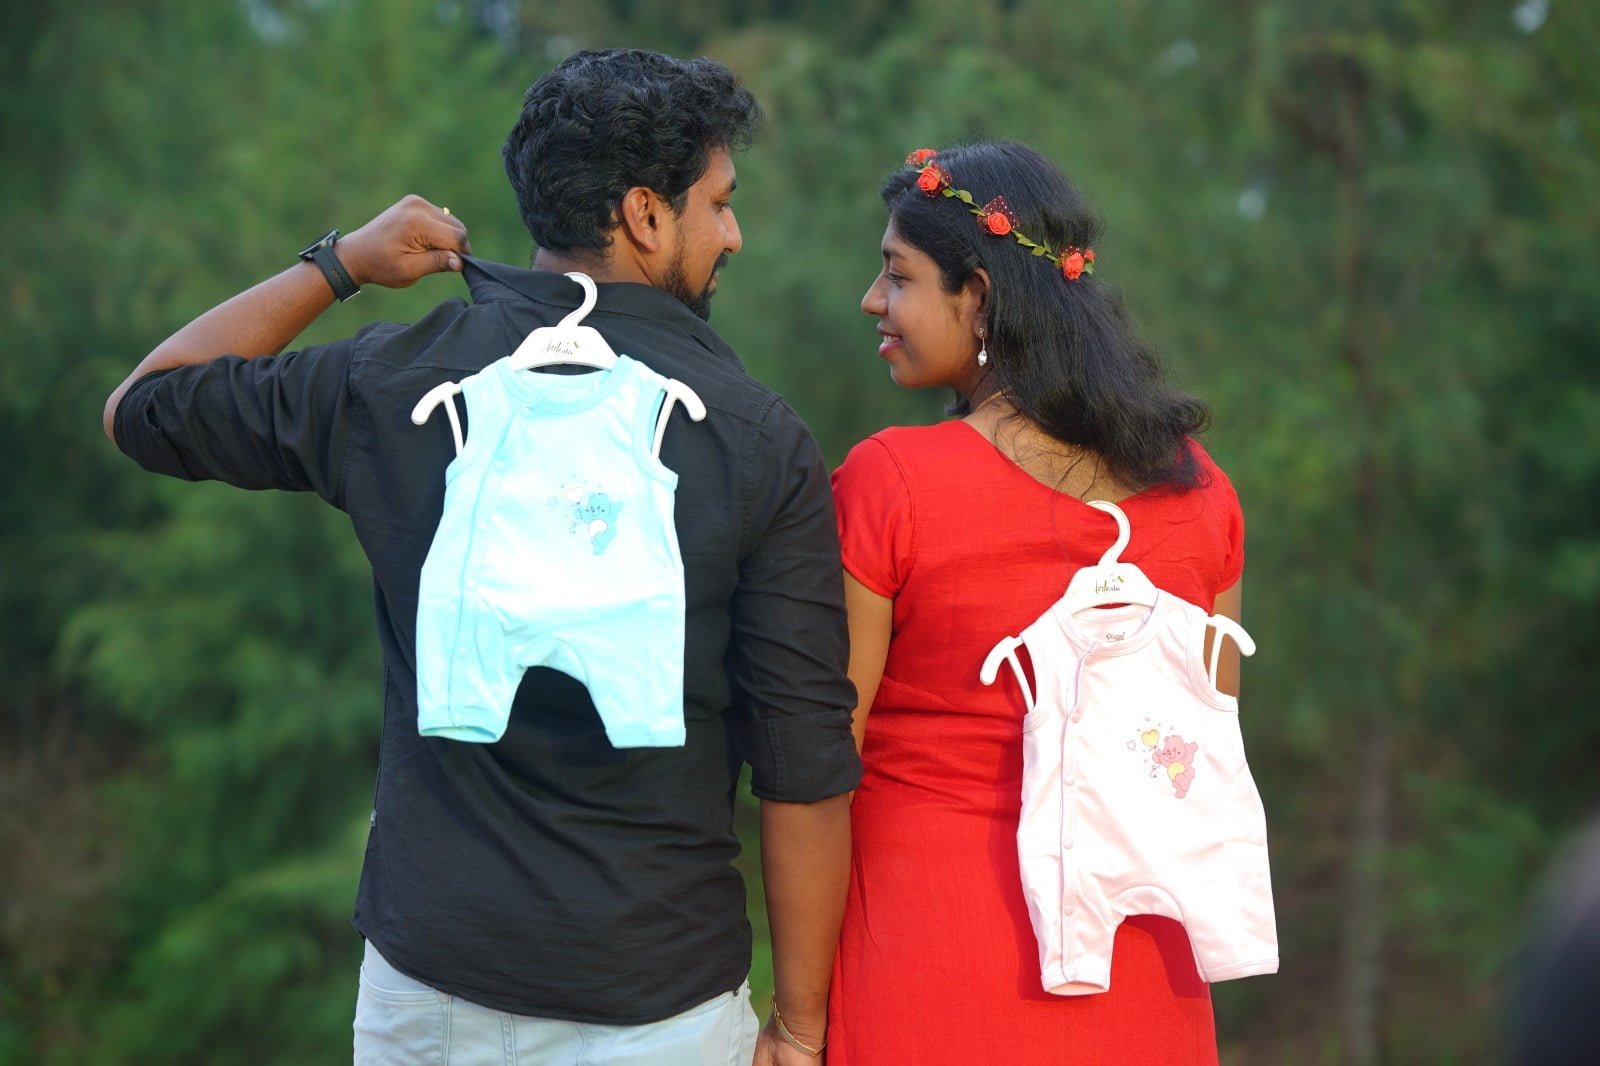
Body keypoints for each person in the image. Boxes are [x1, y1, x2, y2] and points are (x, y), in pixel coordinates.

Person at [102, 49, 858, 1066]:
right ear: (644, 215)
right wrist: (800, 1024)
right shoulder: (757, 438)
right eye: (719, 204)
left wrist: (341, 264)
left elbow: (143, 407)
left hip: (428, 996)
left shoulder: (396, 382)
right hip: (654, 1004)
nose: (734, 234)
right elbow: (803, 768)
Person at [826, 140, 1251, 1064]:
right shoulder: (1203, 496)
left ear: (977, 295)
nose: (872, 299)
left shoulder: (892, 482)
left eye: (897, 275)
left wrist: (795, 1016)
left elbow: (820, 769)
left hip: (933, 956)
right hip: (1141, 964)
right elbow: (1198, 762)